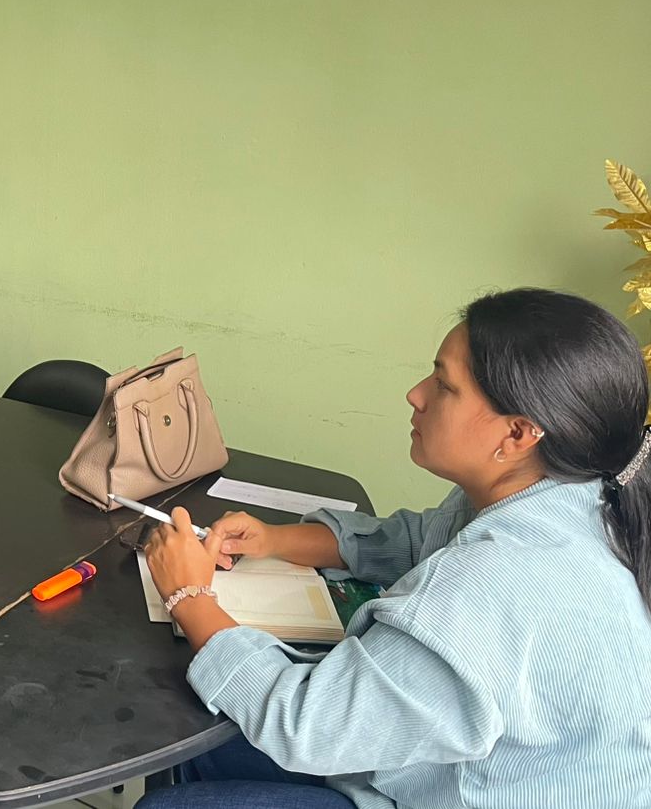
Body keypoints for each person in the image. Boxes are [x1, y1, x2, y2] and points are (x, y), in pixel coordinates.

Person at [137, 288, 651, 809]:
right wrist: (275, 539)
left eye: (444, 386)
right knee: (193, 732)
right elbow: (417, 541)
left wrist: (188, 595)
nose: (416, 394)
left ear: (517, 434)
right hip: (431, 764)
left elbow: (305, 725)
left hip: (441, 791)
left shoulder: (499, 578)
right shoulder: (573, 493)